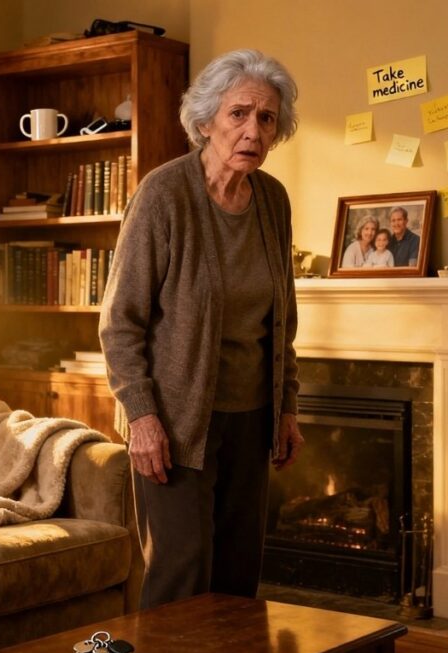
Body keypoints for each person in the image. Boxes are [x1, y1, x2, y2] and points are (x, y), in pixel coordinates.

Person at [99, 49, 305, 609]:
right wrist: (141, 417)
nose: (252, 130)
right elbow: (120, 324)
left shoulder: (273, 200)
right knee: (181, 579)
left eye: (266, 118)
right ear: (207, 119)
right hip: (174, 423)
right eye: (239, 113)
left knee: (238, 583)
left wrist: (286, 407)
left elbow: (281, 317)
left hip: (251, 418)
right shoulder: (162, 196)